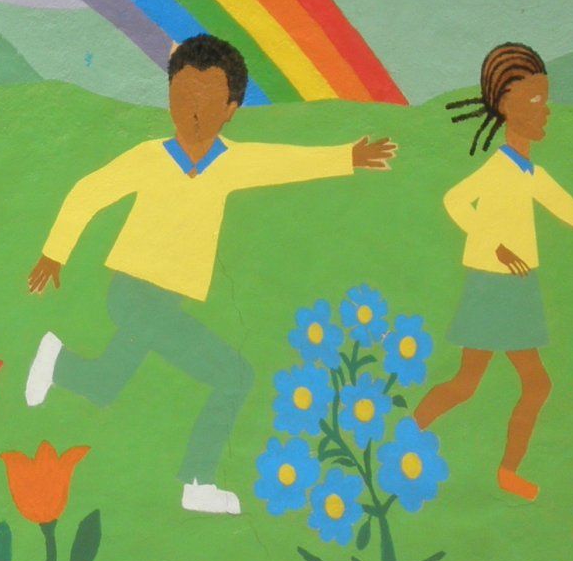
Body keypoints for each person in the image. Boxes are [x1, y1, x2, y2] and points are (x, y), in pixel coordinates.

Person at [25, 35, 397, 514]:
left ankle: (57, 361)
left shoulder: (231, 163)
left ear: (231, 108)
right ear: (169, 98)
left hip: (166, 300)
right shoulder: (149, 157)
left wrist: (347, 157)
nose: (193, 108)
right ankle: (197, 483)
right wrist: (55, 253)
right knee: (233, 377)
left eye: (207, 98)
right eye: (182, 96)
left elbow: (284, 163)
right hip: (134, 294)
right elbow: (88, 192)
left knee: (105, 383)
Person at [416, 43, 573, 501]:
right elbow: (455, 201)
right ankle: (409, 437)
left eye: (547, 100)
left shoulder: (528, 172)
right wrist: (494, 247)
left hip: (519, 289)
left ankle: (503, 470)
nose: (546, 112)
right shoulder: (500, 169)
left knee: (521, 384)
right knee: (470, 384)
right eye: (536, 101)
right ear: (506, 105)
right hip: (492, 287)